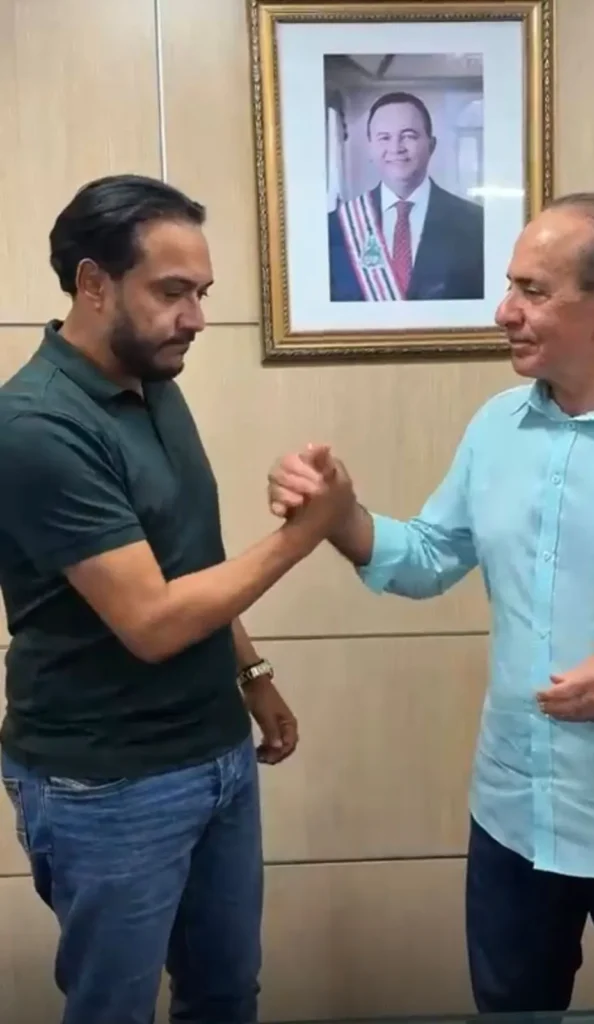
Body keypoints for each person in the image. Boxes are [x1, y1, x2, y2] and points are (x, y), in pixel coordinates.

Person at [269, 192, 594, 1011]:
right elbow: (427, 559)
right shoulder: (496, 427)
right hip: (515, 817)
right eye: (509, 286)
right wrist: (339, 515)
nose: (503, 311)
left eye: (531, 291)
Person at [0, 174, 347, 1024]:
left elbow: (189, 565)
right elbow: (152, 623)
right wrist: (306, 534)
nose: (195, 317)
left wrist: (251, 673)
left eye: (202, 293)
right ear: (93, 283)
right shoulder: (37, 427)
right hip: (108, 781)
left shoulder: (154, 381)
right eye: (171, 292)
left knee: (224, 995)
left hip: (215, 752)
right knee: (113, 1010)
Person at [328, 91, 484, 302]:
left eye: (409, 136)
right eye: (384, 138)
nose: (396, 148)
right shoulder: (335, 227)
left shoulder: (476, 224)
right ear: (370, 148)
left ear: (431, 145)